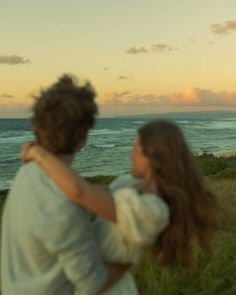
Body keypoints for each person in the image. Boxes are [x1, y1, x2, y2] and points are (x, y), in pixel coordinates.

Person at [21, 118, 219, 291]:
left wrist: (40, 154)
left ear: (151, 155)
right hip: (86, 280)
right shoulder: (129, 184)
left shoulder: (154, 210)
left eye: (135, 148)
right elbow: (86, 192)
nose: (130, 155)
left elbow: (79, 192)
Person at [1, 75, 128, 295]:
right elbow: (92, 286)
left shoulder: (27, 171)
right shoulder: (64, 209)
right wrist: (127, 261)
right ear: (83, 137)